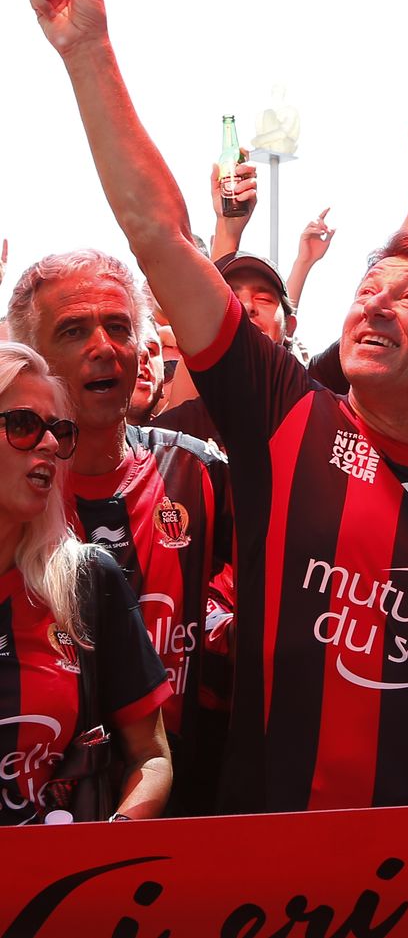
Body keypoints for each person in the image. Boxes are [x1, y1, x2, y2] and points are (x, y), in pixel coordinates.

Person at [27, 0, 408, 813]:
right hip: (271, 856)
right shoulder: (288, 418)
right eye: (363, 289)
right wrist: (87, 49)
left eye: (405, 299)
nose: (372, 306)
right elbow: (158, 234)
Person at [7, 249, 234, 816]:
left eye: (118, 327)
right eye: (74, 330)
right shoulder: (18, 505)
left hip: (188, 810)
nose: (103, 347)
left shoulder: (201, 473)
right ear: (30, 357)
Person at [0, 341, 172, 824]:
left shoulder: (87, 580)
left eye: (59, 431)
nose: (51, 445)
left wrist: (107, 849)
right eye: (22, 425)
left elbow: (151, 756)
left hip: (58, 893)